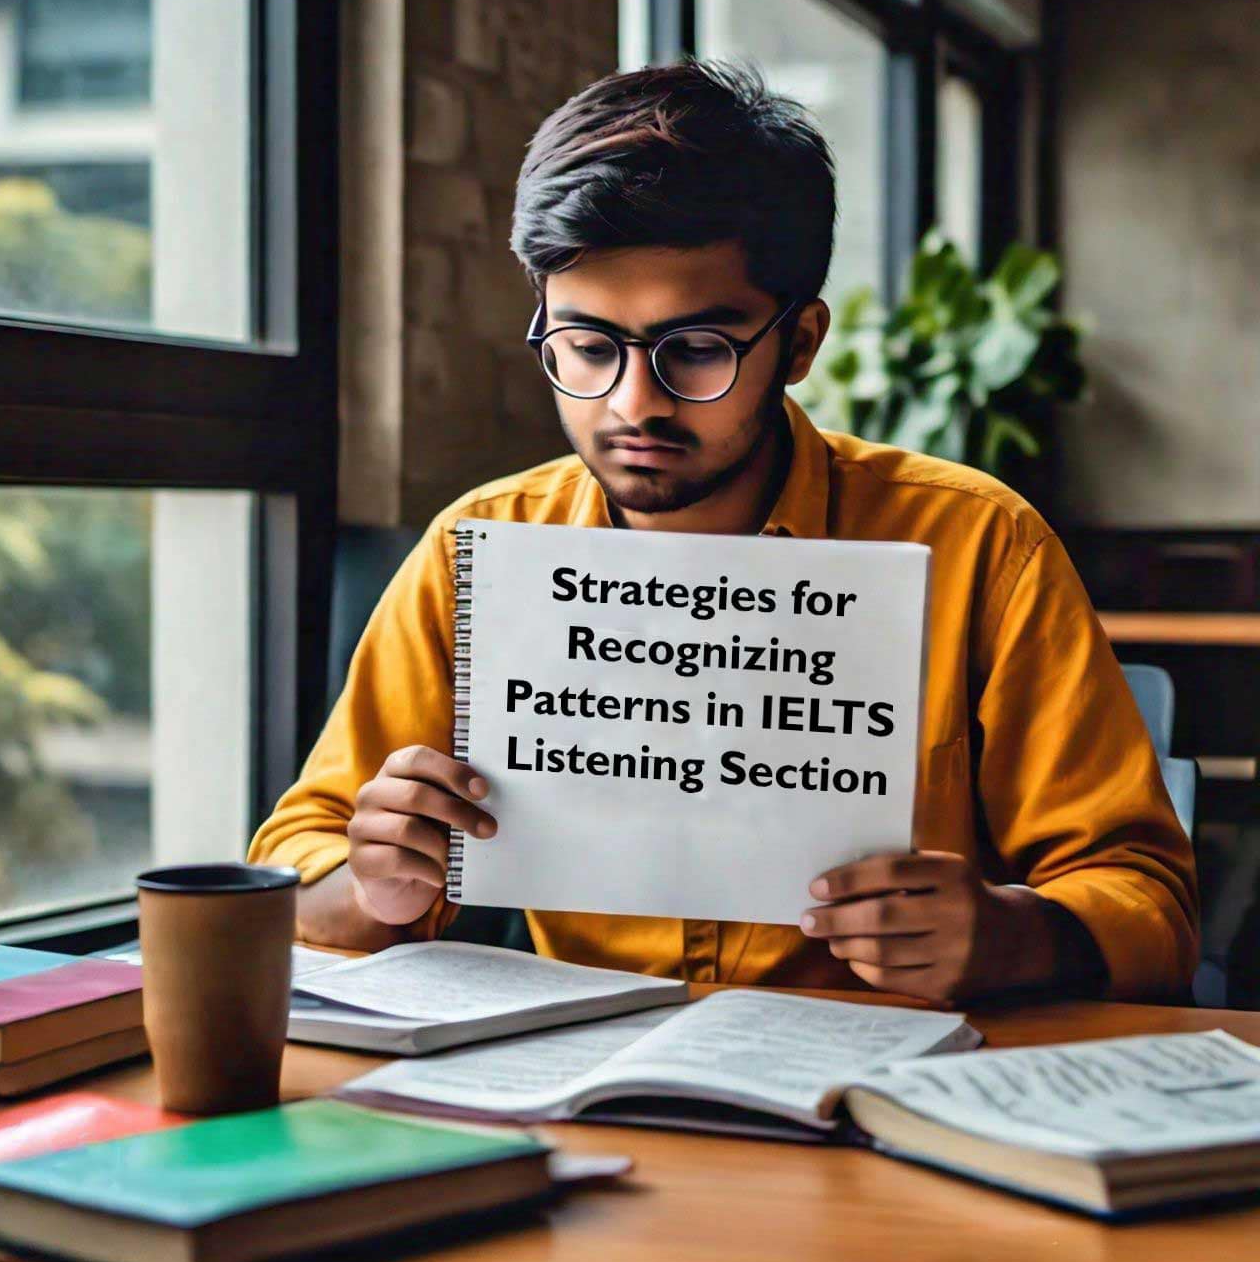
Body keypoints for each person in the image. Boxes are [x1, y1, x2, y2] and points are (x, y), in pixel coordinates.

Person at [248, 59, 1197, 1003]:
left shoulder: (978, 546)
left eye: (696, 350)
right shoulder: (480, 552)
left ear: (801, 342)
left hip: (885, 1091)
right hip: (573, 1087)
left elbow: (1150, 899)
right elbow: (300, 869)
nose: (633, 403)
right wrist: (375, 885)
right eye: (586, 347)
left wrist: (1016, 938)